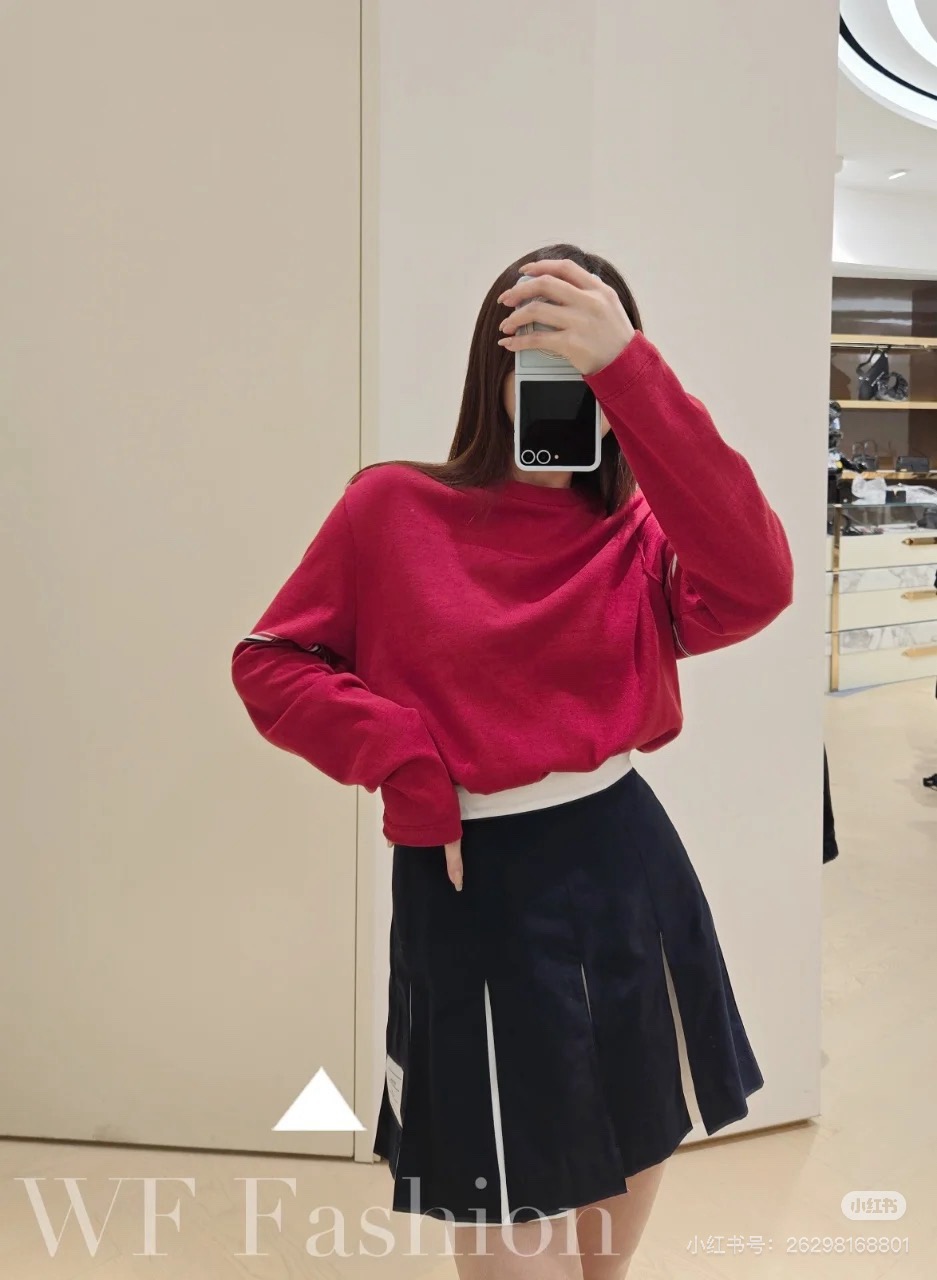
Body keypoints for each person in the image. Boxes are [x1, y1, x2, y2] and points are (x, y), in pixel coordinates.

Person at [231, 245, 795, 1279]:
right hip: (472, 883)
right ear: (490, 370)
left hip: (623, 856)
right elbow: (271, 662)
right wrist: (406, 763)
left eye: (586, 368)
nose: (560, 393)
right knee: (502, 1185)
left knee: (630, 1129)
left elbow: (758, 584)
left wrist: (634, 377)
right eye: (537, 359)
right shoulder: (391, 508)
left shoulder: (637, 537)